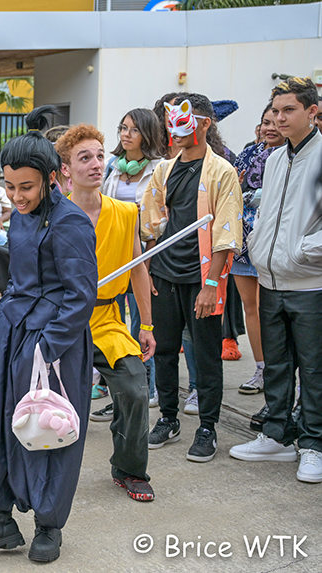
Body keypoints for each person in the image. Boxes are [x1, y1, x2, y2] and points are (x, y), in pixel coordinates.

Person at [0, 107, 97, 563]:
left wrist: (48, 349)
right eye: (10, 186)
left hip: (53, 346)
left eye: (26, 187)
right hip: (10, 336)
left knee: (47, 429)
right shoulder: (23, 215)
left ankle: (49, 526)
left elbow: (80, 295)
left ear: (53, 178)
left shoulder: (71, 221)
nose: (16, 196)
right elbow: (21, 281)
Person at [141, 94, 242, 463]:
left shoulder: (222, 172)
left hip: (202, 277)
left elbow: (227, 232)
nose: (175, 130)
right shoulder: (163, 170)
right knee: (165, 350)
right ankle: (169, 418)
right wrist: (148, 271)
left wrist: (211, 284)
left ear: (204, 123)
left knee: (206, 352)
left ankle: (207, 427)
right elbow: (150, 224)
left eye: (183, 122)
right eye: (171, 123)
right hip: (165, 274)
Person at [57, 124, 157, 502]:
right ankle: (45, 467)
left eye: (100, 156)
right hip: (64, 320)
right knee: (61, 400)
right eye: (85, 158)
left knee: (133, 388)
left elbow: (138, 268)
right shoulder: (54, 214)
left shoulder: (125, 212)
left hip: (108, 319)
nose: (97, 164)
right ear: (66, 169)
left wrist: (145, 325)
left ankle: (129, 469)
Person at [231, 77, 322, 484]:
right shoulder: (273, 159)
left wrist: (303, 252)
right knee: (277, 364)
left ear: (312, 112)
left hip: (310, 282)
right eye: (275, 111)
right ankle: (278, 436)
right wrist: (259, 243)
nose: (280, 118)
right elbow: (269, 212)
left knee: (315, 368)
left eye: (289, 110)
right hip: (270, 277)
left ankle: (314, 444)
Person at [96, 108, 164, 413]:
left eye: (133, 130)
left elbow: (159, 218)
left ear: (146, 135)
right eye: (123, 128)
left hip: (145, 254)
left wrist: (145, 265)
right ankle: (116, 391)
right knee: (115, 321)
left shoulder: (159, 168)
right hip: (113, 254)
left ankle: (145, 388)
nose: (126, 134)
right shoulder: (114, 166)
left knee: (141, 322)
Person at [229, 104, 286, 395]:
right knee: (249, 307)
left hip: (272, 238)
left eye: (276, 121)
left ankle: (279, 370)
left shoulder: (292, 154)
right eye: (265, 122)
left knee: (269, 309)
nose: (270, 127)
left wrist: (251, 195)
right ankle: (261, 368)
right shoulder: (249, 152)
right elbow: (232, 188)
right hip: (242, 239)